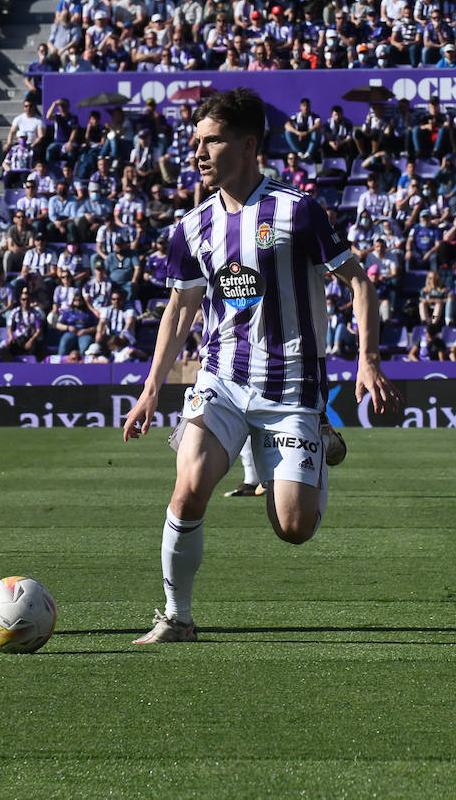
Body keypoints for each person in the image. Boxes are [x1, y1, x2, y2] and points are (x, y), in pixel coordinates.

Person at [120, 88, 401, 644]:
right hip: (221, 380)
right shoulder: (191, 227)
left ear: (249, 146)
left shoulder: (298, 210)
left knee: (294, 529)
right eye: (196, 142)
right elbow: (180, 310)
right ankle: (177, 618)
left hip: (292, 385)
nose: (198, 152)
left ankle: (316, 436)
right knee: (188, 490)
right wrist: (151, 388)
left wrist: (366, 360)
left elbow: (360, 281)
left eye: (212, 140)